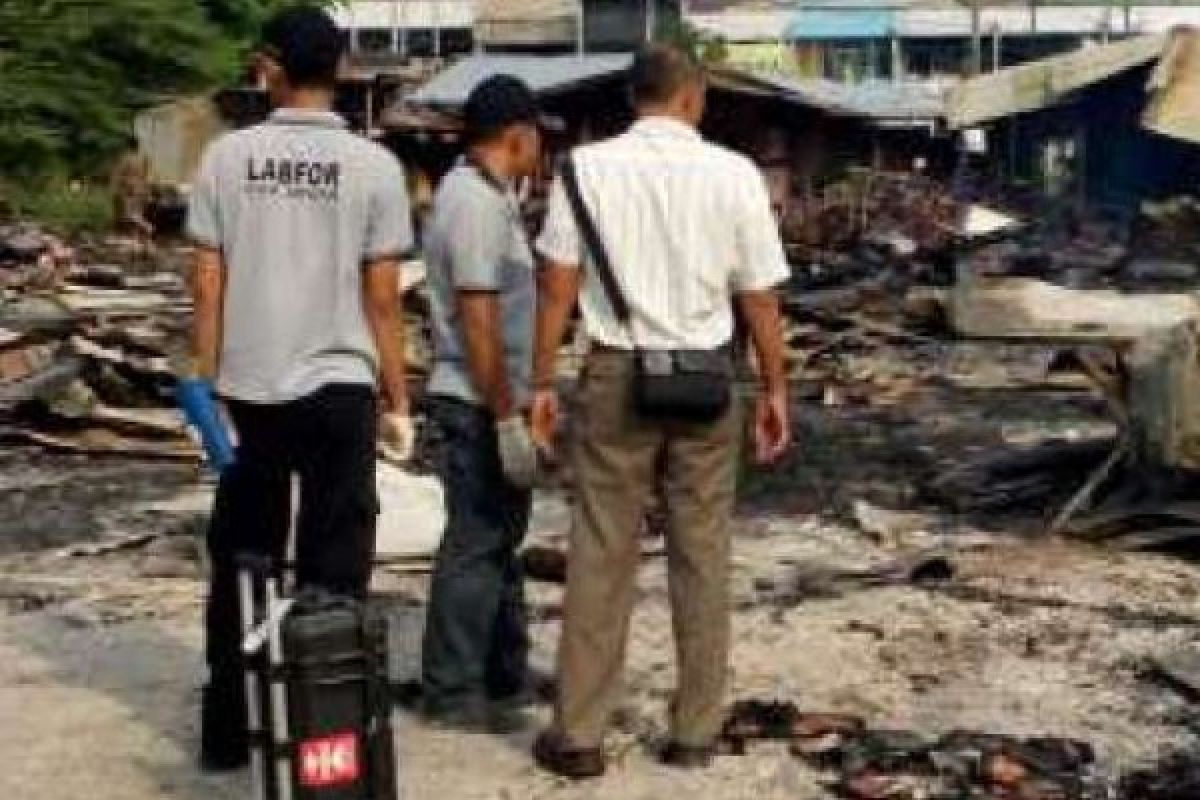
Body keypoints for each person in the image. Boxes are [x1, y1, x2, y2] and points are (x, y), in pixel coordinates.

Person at [529, 45, 792, 778]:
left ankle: (580, 736)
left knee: (601, 551)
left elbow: (556, 286)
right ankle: (694, 732)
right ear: (692, 98)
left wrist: (542, 383)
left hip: (615, 374)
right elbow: (761, 298)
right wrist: (774, 389)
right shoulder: (735, 174)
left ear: (632, 97)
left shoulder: (582, 170)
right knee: (702, 555)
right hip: (710, 382)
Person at [186, 6, 415, 771]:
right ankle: (329, 745)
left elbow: (207, 283)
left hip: (250, 390)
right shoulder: (374, 167)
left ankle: (228, 731)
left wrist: (204, 384)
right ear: (343, 70)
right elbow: (382, 296)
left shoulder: (227, 158)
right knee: (335, 573)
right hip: (341, 391)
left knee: (242, 559)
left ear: (270, 65)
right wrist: (399, 398)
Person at [420, 75, 543, 730]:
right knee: (475, 541)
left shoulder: (491, 200)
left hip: (493, 397)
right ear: (517, 134)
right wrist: (504, 416)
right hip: (474, 400)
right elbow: (478, 320)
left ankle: (503, 669)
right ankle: (452, 687)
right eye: (536, 134)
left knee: (501, 538)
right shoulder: (470, 204)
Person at [111, 135, 154, 239]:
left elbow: (118, 174)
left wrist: (115, 188)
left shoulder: (125, 158)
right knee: (138, 213)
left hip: (130, 190)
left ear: (128, 146)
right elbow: (148, 175)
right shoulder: (144, 158)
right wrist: (148, 191)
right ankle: (135, 236)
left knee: (130, 215)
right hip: (142, 189)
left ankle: (148, 227)